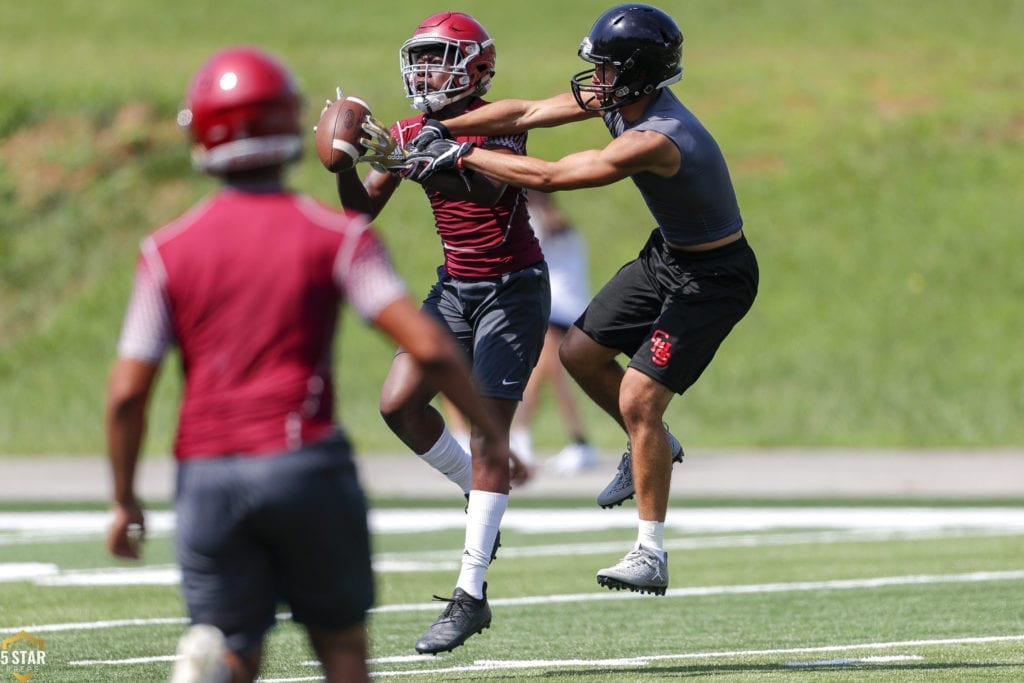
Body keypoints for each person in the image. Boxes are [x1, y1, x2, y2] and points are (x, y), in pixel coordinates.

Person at [104, 46, 516, 683]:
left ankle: (221, 666)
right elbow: (430, 347)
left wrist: (125, 498)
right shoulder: (335, 237)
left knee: (235, 643)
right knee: (343, 650)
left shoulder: (164, 252)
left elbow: (128, 394)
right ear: (289, 125)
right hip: (306, 465)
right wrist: (488, 434)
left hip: (208, 473)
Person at [405, 4, 759, 597]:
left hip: (715, 275)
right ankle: (653, 443)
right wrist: (445, 126)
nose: (595, 79)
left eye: (607, 68)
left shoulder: (658, 135)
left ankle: (651, 550)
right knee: (577, 353)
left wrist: (460, 153)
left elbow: (551, 176)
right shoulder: (621, 97)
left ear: (637, 73)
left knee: (639, 397)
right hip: (667, 255)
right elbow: (529, 112)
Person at [327, 12, 549, 654]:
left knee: (488, 434)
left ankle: (469, 596)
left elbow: (485, 193)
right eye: (420, 59)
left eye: (439, 59)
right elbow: (361, 214)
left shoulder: (497, 118)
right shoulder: (406, 129)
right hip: (455, 286)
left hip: (514, 286)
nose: (425, 72)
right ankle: (476, 492)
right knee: (398, 403)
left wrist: (414, 159)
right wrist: (343, 163)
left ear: (476, 66)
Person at [512, 189, 597, 473]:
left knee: (542, 375)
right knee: (553, 376)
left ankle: (521, 437)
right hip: (564, 310)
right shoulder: (550, 222)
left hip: (557, 310)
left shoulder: (547, 221)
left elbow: (546, 232)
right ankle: (579, 441)